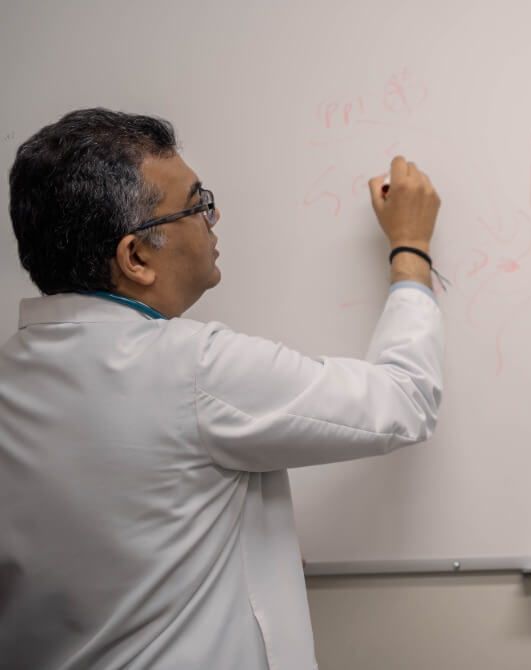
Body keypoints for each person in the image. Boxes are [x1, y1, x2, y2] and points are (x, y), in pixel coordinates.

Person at [0, 108, 444, 669]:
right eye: (196, 204)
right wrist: (411, 248)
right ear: (136, 257)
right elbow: (404, 399)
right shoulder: (194, 370)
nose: (214, 218)